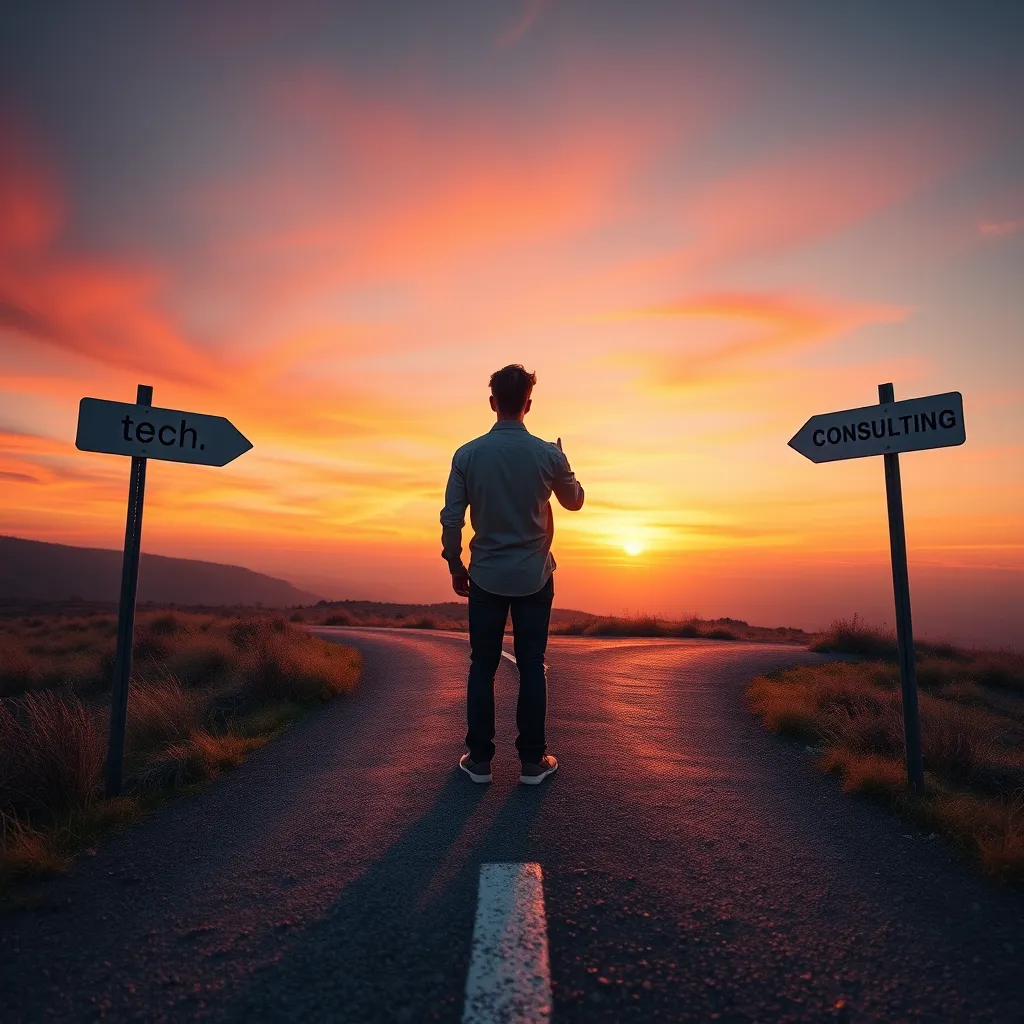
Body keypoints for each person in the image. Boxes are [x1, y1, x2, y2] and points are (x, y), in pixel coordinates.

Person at [440, 364, 585, 785]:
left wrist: (455, 564)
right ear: (528, 404)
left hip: (485, 576)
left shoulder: (467, 455)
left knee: (482, 665)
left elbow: (452, 519)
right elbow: (574, 501)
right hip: (534, 576)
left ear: (492, 403)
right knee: (531, 664)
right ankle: (532, 762)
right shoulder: (548, 455)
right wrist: (565, 463)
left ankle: (479, 761)